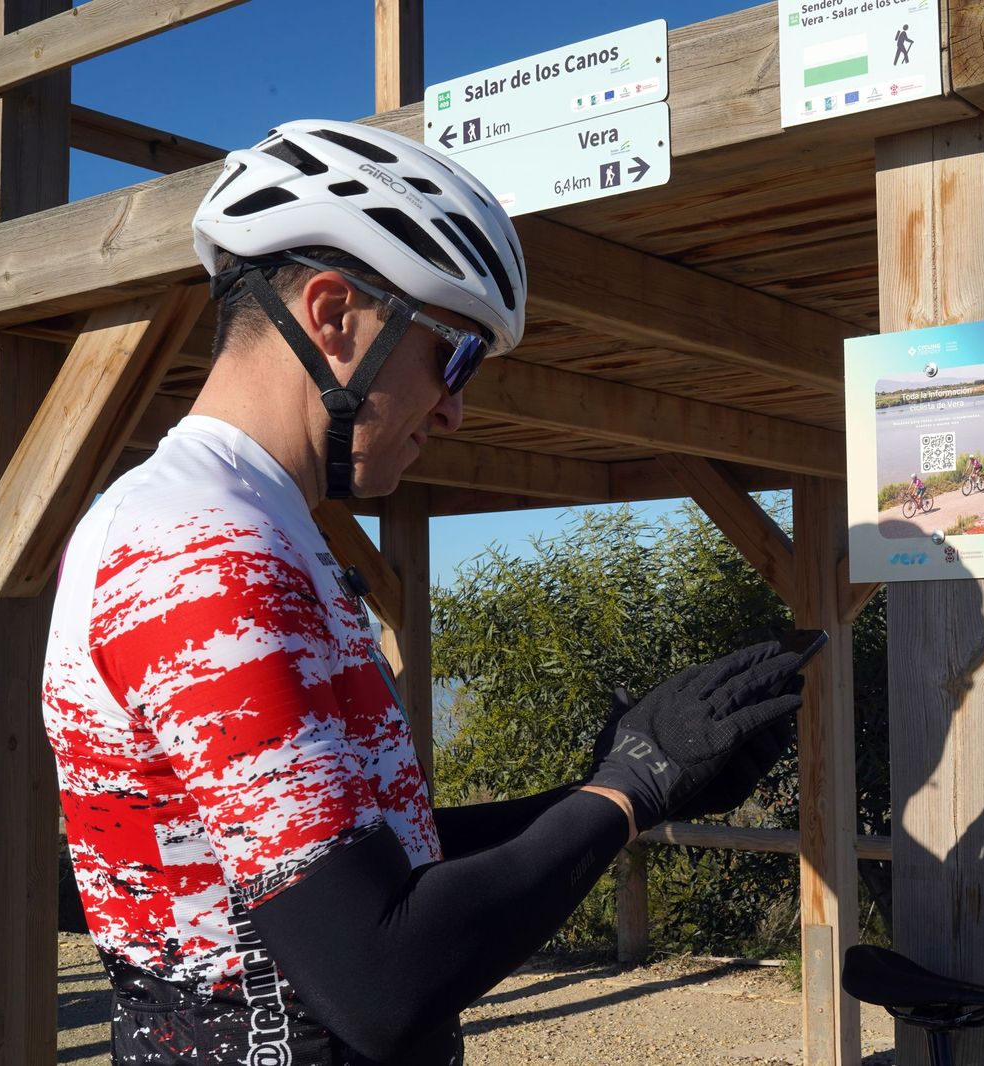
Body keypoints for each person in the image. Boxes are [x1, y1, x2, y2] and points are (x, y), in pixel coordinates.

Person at [41, 119, 806, 1066]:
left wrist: (613, 792)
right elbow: (378, 976)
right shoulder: (201, 551)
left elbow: (372, 863)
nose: (455, 407)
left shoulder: (247, 528)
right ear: (333, 316)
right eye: (453, 357)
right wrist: (626, 791)